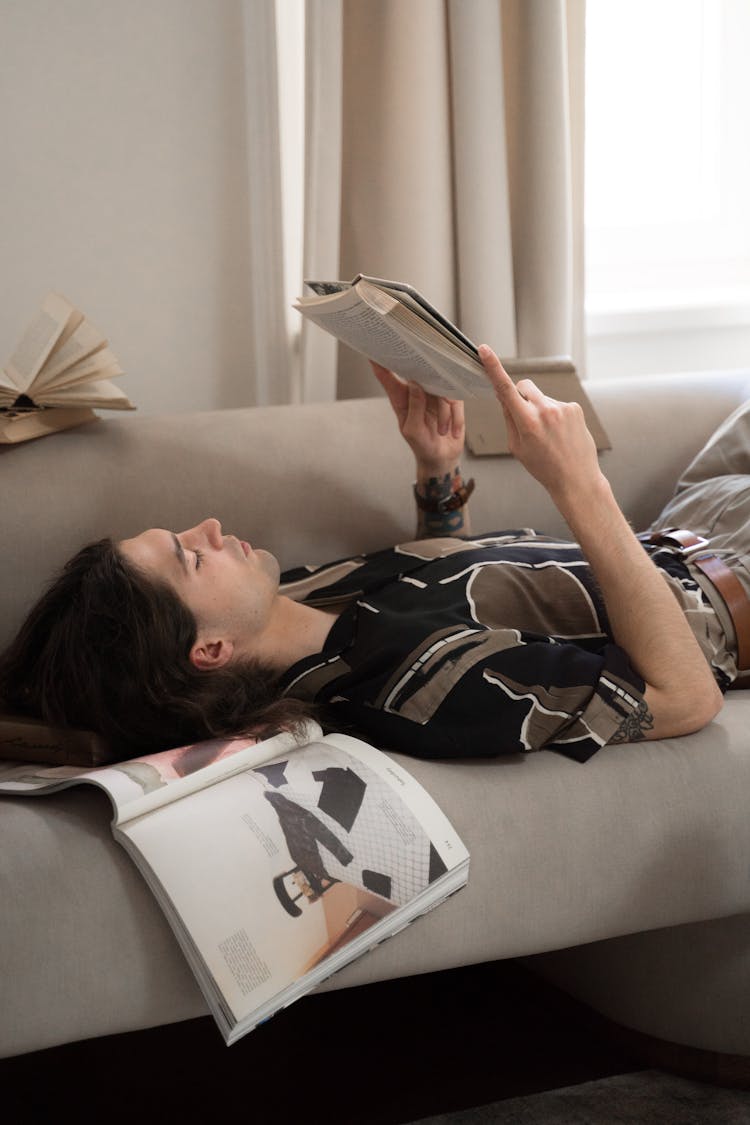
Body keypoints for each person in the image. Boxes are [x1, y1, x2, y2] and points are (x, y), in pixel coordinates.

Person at [0, 346, 736, 763]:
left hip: (690, 516)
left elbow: (468, 591)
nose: (210, 527)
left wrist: (437, 475)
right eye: (189, 558)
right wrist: (581, 486)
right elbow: (684, 699)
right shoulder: (411, 691)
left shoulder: (293, 599)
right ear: (212, 648)